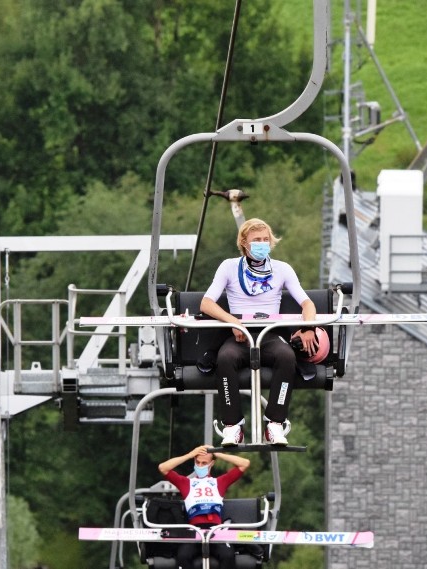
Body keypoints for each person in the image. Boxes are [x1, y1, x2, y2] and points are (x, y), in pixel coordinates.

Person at [199, 218, 319, 446]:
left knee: (287, 356)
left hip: (269, 333)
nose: (262, 244)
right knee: (225, 358)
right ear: (244, 243)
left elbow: (307, 303)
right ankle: (233, 426)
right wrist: (234, 322)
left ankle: (275, 423)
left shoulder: (282, 269)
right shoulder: (229, 267)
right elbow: (206, 303)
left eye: (266, 239)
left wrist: (308, 327)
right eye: (257, 240)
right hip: (239, 334)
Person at [158, 445, 251, 569]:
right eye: (198, 462)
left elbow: (245, 463)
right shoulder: (186, 483)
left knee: (228, 556)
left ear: (211, 463)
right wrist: (190, 455)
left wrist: (218, 454)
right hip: (194, 530)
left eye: (204, 463)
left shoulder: (219, 482)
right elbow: (163, 468)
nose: (200, 466)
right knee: (183, 556)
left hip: (216, 530)